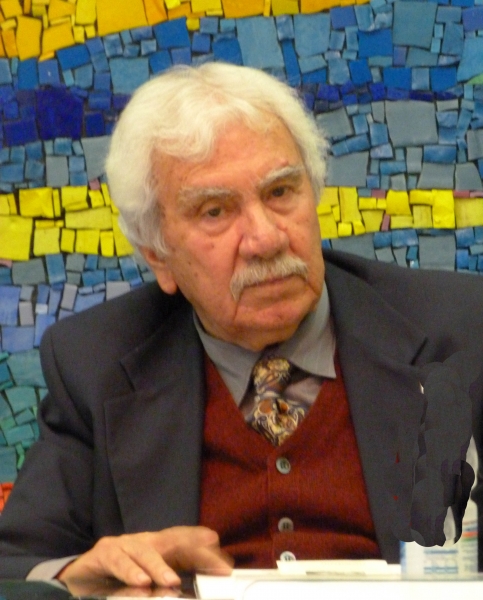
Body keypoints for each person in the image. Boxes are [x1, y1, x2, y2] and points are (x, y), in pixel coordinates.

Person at [0, 63, 483, 587]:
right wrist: (80, 573)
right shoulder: (96, 363)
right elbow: (15, 566)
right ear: (156, 253)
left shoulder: (459, 328)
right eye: (215, 212)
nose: (265, 239)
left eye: (280, 192)